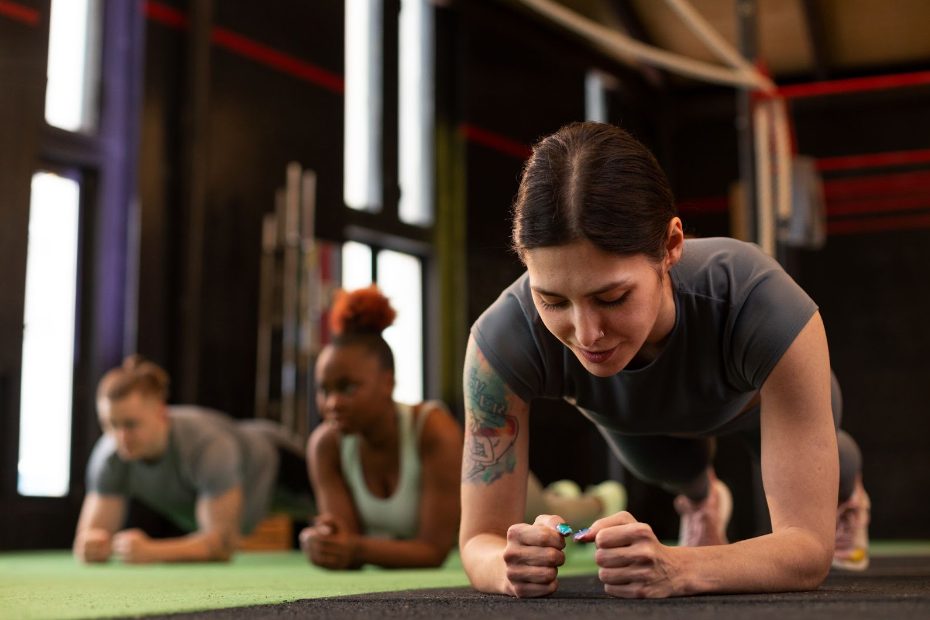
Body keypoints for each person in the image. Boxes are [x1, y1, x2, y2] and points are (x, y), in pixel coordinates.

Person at [460, 121, 870, 599]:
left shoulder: (761, 303)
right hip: (638, 416)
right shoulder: (501, 340)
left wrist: (679, 566)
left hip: (754, 405)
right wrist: (506, 566)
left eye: (612, 297)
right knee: (664, 464)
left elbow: (805, 552)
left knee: (830, 464)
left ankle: (850, 495)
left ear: (672, 246)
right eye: (551, 301)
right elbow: (477, 541)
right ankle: (702, 501)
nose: (587, 333)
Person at [73, 355, 313, 564]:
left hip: (274, 462)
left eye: (131, 425)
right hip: (238, 489)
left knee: (341, 514)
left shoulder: (206, 445)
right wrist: (92, 546)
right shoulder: (109, 457)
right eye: (111, 425)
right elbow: (88, 538)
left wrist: (152, 552)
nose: (121, 437)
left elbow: (222, 544)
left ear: (161, 413)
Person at [300, 286, 463, 569]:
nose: (332, 403)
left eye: (347, 387)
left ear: (388, 383)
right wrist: (324, 542)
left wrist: (352, 548)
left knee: (564, 514)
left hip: (526, 508)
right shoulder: (325, 446)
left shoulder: (434, 429)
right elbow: (346, 544)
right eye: (323, 390)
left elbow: (433, 551)